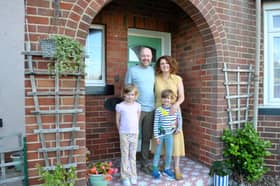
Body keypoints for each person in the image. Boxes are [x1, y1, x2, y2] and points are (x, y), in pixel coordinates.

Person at [154, 55, 185, 180]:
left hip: (173, 112)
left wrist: (176, 104)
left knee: (175, 140)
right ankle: (162, 165)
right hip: (160, 113)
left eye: (167, 63)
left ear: (171, 65)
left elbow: (182, 96)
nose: (165, 65)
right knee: (161, 140)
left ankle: (176, 167)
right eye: (162, 63)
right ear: (159, 66)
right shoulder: (156, 78)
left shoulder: (177, 79)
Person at [125, 47, 155, 174]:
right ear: (139, 57)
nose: (146, 58)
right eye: (143, 55)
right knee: (131, 137)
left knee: (146, 138)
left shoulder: (154, 71)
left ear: (151, 57)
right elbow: (127, 88)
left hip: (151, 109)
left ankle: (144, 164)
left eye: (148, 56)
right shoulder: (132, 70)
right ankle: (128, 165)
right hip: (135, 110)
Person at [152, 89, 181, 179]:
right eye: (165, 98)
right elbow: (156, 123)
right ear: (161, 99)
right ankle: (155, 169)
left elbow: (179, 119)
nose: (167, 100)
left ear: (172, 99)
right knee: (157, 152)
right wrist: (156, 136)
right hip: (160, 135)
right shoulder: (159, 110)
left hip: (169, 135)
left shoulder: (174, 109)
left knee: (169, 153)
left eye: (169, 98)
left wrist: (178, 128)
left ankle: (167, 168)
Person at [115, 84, 141, 186]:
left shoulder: (138, 106)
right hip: (124, 133)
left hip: (134, 133)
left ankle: (133, 175)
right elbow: (117, 120)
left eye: (132, 95)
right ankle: (125, 176)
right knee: (125, 155)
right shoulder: (120, 106)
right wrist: (120, 131)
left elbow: (137, 119)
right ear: (124, 95)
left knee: (132, 155)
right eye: (128, 94)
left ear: (135, 95)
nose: (130, 97)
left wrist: (136, 130)